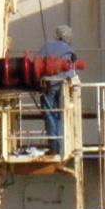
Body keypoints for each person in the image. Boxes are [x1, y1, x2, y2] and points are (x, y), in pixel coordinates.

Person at [37, 25, 76, 156]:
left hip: (48, 85)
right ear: (68, 37)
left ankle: (54, 147)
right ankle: (59, 146)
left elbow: (36, 64)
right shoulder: (69, 50)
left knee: (49, 115)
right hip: (62, 86)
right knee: (60, 115)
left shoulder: (47, 46)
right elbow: (71, 71)